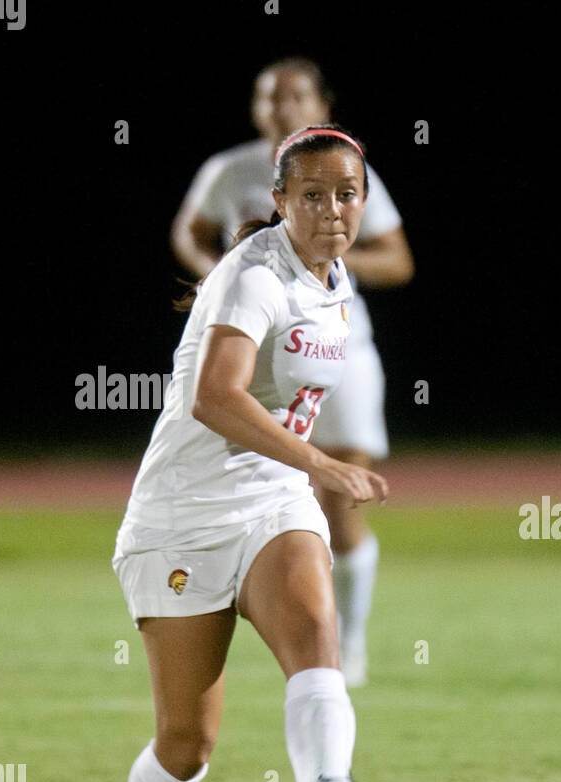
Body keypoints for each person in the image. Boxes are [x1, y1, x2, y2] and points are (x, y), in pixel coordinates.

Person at [111, 125, 389, 782]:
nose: (332, 209)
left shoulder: (334, 279)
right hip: (180, 519)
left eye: (346, 194)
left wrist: (307, 476)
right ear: (279, 202)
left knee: (316, 638)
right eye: (312, 195)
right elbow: (216, 399)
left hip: (271, 502)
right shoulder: (252, 273)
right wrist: (327, 466)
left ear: (363, 201)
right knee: (188, 743)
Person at [172, 57, 414, 687]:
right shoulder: (230, 172)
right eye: (269, 98)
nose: (282, 109)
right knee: (238, 485)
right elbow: (189, 233)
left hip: (336, 350)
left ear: (321, 103)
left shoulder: (345, 171)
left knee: (339, 504)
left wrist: (322, 251)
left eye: (296, 97)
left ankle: (347, 644)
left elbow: (398, 260)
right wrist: (220, 275)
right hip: (257, 352)